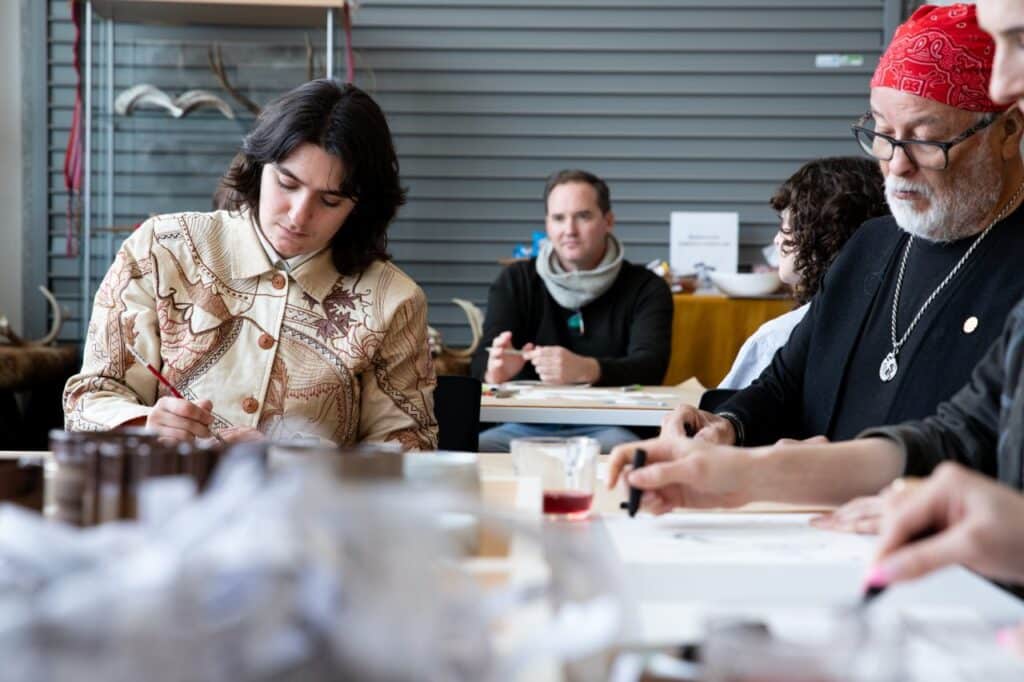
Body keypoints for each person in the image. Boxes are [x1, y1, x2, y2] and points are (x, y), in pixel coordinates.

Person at [661, 3, 1024, 448]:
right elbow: (784, 383)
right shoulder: (870, 245)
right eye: (883, 134)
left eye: (926, 141)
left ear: (1007, 131)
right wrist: (728, 424)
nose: (896, 165)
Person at [64, 79, 438, 450]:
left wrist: (297, 458)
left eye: (329, 201)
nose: (298, 215)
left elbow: (413, 451)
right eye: (287, 183)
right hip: (166, 485)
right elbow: (86, 402)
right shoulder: (161, 248)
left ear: (360, 207)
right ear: (259, 167)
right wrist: (144, 424)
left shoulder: (394, 301)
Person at [470, 169, 673, 452]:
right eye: (558, 218)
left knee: (627, 454)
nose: (569, 230)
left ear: (608, 221)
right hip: (521, 425)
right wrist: (495, 372)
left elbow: (651, 367)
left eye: (583, 216)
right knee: (471, 451)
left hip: (610, 427)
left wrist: (588, 369)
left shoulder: (647, 288)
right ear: (547, 224)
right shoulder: (515, 281)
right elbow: (480, 362)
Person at [719, 157, 888, 389]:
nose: (776, 241)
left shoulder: (777, 340)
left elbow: (724, 409)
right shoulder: (894, 326)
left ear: (823, 239)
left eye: (785, 227)